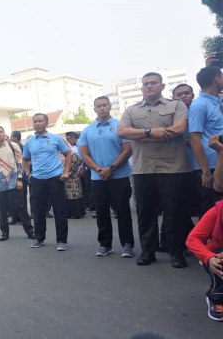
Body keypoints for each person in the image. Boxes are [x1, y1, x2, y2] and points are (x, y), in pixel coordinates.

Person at [118, 72, 192, 268]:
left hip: (174, 167)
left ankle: (176, 252)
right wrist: (153, 132)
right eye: (146, 84)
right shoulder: (131, 110)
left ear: (162, 85)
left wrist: (140, 136)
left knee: (175, 212)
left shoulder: (176, 105)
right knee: (145, 211)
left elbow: (178, 130)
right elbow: (122, 132)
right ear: (141, 88)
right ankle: (148, 252)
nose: (149, 86)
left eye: (153, 83)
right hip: (144, 168)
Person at [79, 96, 134, 257]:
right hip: (98, 179)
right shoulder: (88, 130)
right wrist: (98, 169)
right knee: (102, 212)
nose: (102, 108)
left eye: (104, 105)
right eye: (98, 106)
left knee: (123, 211)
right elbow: (84, 153)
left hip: (120, 176)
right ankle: (105, 244)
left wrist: (111, 168)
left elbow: (127, 149)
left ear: (110, 107)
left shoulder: (120, 126)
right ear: (94, 109)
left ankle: (127, 244)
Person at [22, 113, 71, 251]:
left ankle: (61, 240)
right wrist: (27, 173)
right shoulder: (30, 142)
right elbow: (25, 159)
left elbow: (68, 154)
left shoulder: (55, 139)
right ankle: (38, 237)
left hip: (55, 178)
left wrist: (66, 171)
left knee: (59, 210)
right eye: (35, 121)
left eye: (40, 121)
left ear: (46, 123)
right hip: (37, 180)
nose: (37, 123)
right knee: (37, 210)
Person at [0, 126, 34, 241]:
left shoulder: (14, 146)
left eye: (1, 132)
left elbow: (20, 164)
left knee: (21, 208)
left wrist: (20, 179)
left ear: (5, 134)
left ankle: (30, 231)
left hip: (14, 183)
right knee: (2, 211)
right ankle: (4, 233)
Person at [189, 67, 223, 218]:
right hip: (211, 167)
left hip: (221, 161)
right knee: (211, 212)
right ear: (217, 79)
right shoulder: (199, 105)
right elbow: (194, 139)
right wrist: (205, 171)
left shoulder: (218, 101)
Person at [185, 198, 223, 321]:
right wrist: (208, 257)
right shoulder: (216, 212)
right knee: (218, 259)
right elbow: (192, 239)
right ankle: (217, 297)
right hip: (217, 255)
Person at [64, 132, 84, 219]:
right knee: (69, 196)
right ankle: (71, 213)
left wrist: (66, 172)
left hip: (72, 177)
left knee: (74, 195)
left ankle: (77, 213)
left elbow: (74, 165)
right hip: (67, 177)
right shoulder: (62, 155)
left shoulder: (72, 154)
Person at [9, 130, 28, 223]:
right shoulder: (10, 148)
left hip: (22, 176)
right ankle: (15, 218)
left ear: (16, 138)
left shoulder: (23, 148)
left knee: (22, 198)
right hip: (12, 176)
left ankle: (24, 219)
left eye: (11, 136)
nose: (10, 138)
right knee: (12, 198)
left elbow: (26, 161)